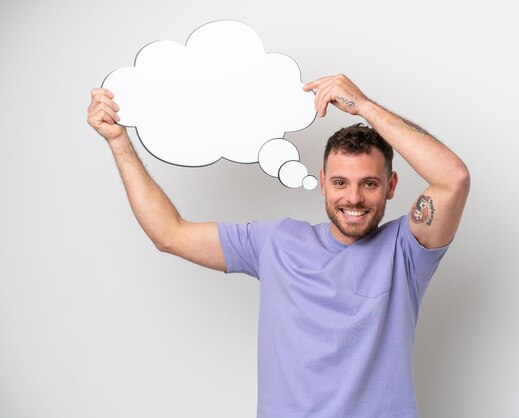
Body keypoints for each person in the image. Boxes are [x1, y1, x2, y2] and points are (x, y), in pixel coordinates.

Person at [87, 74, 470, 418]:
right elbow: (168, 233)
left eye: (368, 183)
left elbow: (452, 178)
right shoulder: (275, 242)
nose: (353, 197)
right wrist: (119, 141)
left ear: (390, 186)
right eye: (340, 182)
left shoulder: (407, 249)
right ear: (323, 182)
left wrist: (365, 107)